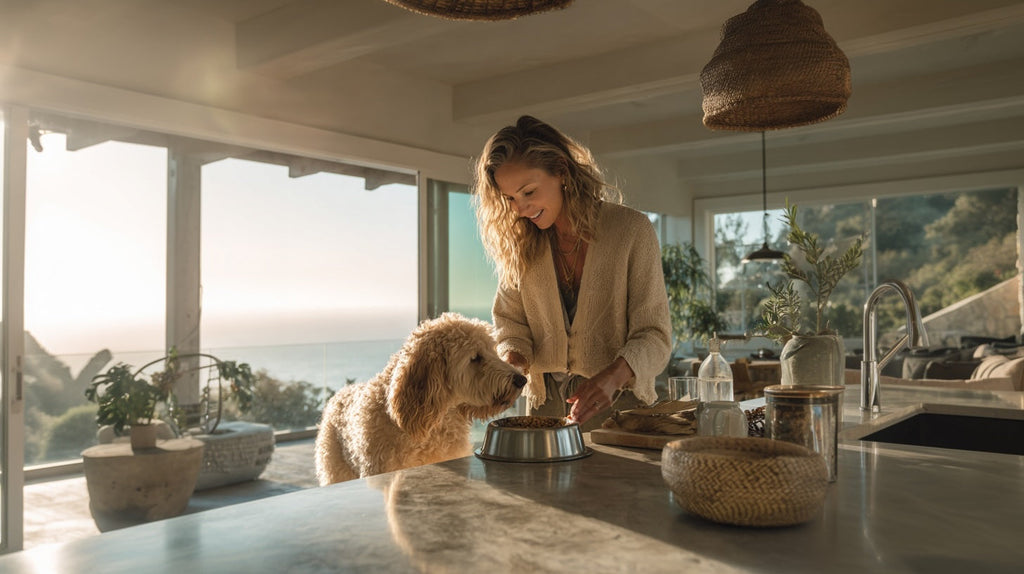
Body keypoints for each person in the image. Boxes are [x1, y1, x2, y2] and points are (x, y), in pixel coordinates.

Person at [472, 115, 672, 430]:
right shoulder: (522, 244)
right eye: (509, 198)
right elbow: (511, 325)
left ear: (561, 171)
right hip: (544, 409)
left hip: (621, 411)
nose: (520, 209)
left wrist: (613, 377)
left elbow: (655, 335)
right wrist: (513, 364)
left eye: (528, 192)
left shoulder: (631, 230)